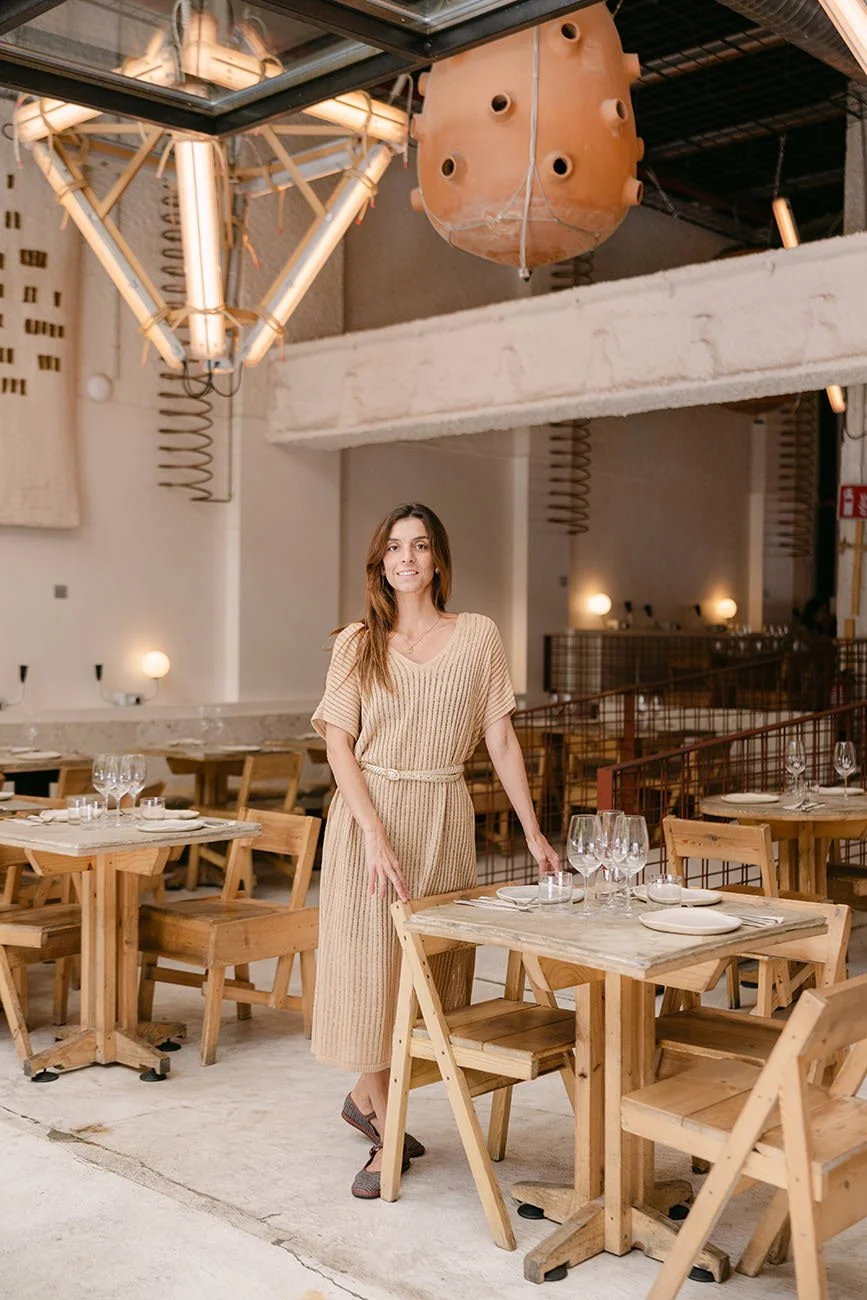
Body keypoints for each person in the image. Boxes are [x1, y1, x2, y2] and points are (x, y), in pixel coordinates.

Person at [311, 502, 559, 1199]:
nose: (407, 558)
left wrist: (534, 831)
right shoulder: (356, 642)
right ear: (380, 562)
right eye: (394, 547)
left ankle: (368, 1104)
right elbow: (337, 743)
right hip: (369, 819)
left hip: (443, 815)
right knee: (368, 973)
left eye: (419, 545)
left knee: (427, 978)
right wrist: (374, 833)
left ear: (438, 559)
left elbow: (500, 739)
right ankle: (384, 1134)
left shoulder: (477, 636)